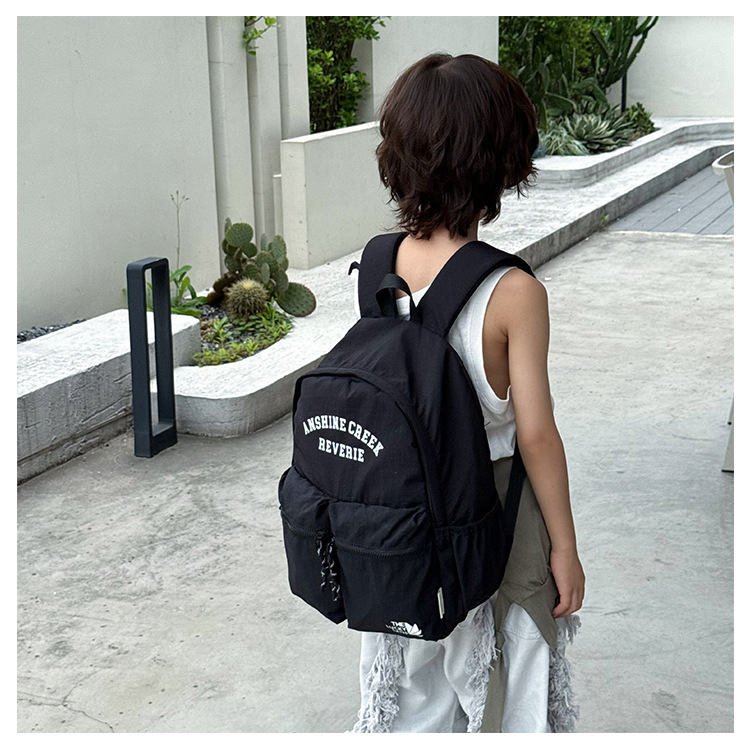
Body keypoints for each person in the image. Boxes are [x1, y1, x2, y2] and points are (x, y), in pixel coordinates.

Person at [349, 53, 585, 733]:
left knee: (415, 702)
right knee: (513, 698)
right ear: (500, 162)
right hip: (496, 521)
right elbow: (535, 435)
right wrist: (564, 547)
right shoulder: (513, 292)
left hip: (400, 521)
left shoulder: (377, 264)